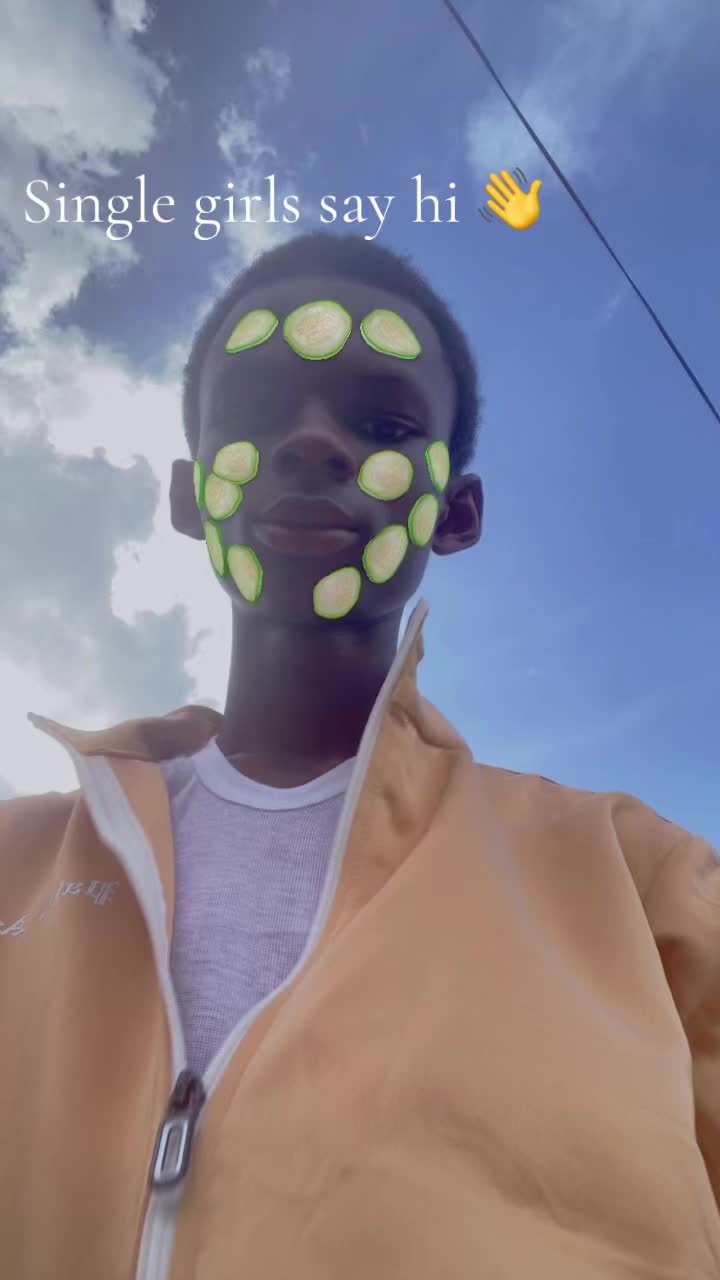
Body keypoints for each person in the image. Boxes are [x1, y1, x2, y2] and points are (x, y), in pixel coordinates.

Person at [0, 229, 718, 1280]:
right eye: (256, 414)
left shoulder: (636, 880)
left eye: (383, 424)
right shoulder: (15, 859)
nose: (312, 442)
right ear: (190, 497)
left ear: (456, 512)